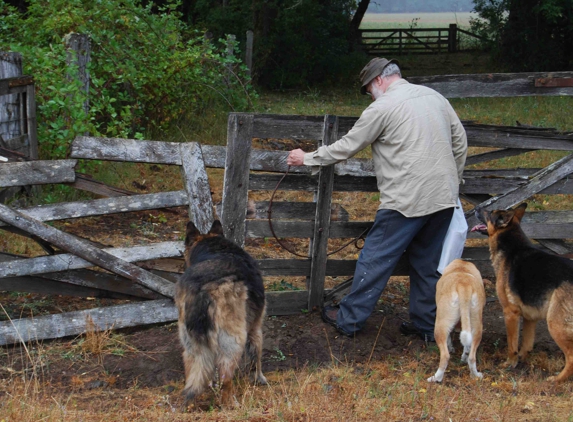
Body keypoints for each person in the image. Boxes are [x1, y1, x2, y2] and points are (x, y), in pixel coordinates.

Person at [286, 57, 467, 341]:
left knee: (375, 258)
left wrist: (307, 158)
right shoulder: (436, 98)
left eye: (368, 88)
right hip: (443, 199)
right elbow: (460, 141)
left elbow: (348, 145)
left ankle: (349, 319)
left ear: (379, 80)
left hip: (405, 200)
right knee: (428, 262)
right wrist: (452, 181)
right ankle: (426, 325)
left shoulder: (382, 107)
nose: (369, 94)